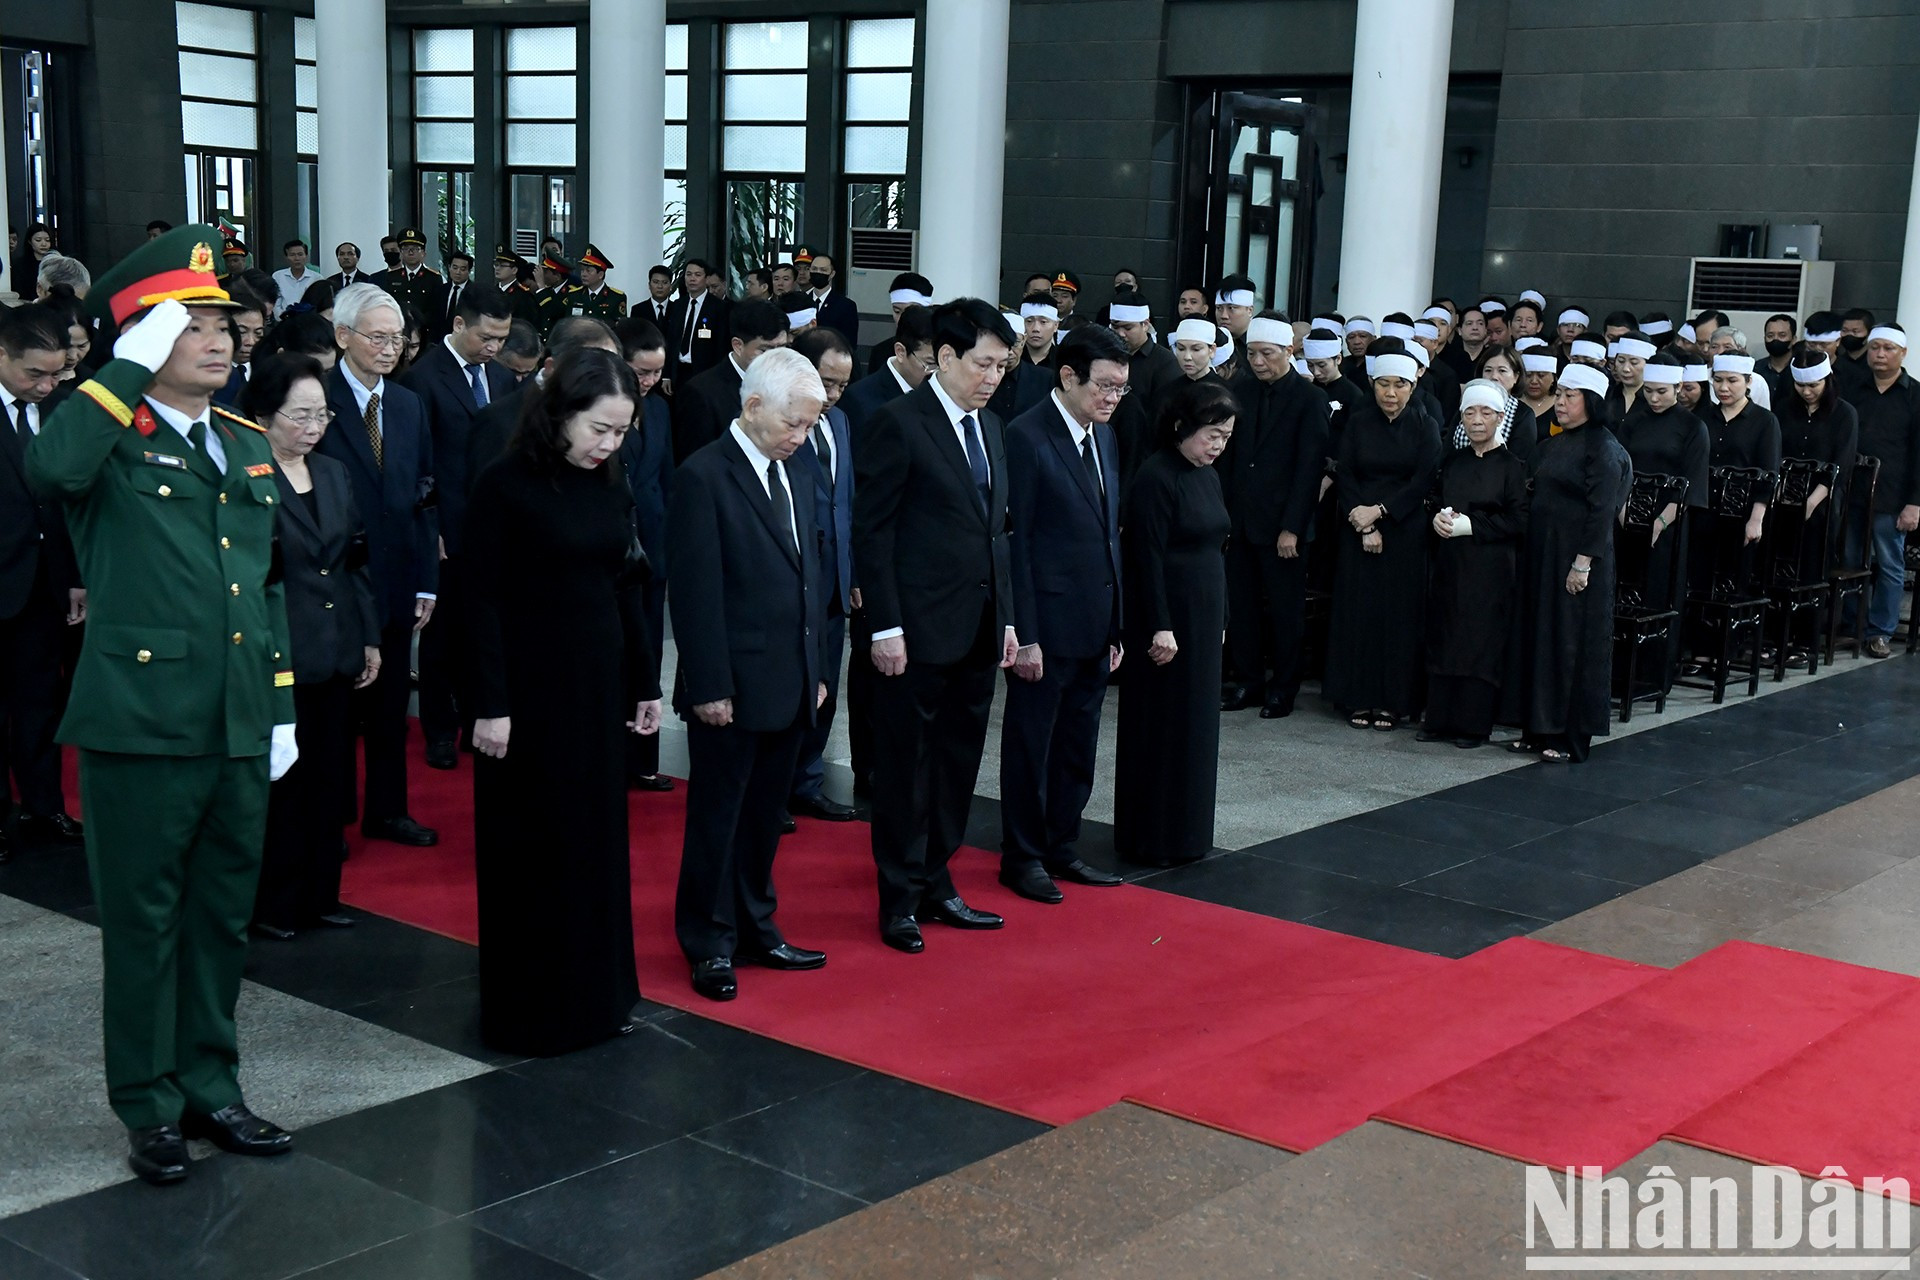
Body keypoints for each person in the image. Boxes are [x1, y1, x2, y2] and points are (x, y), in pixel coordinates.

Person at [29, 228, 299, 1185]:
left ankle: (209, 1085)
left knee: (220, 916)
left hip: (232, 721)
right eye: (193, 324)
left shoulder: (243, 442)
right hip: (140, 722)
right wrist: (122, 373)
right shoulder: (102, 433)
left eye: (227, 324)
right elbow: (49, 471)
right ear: (144, 337)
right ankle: (147, 1105)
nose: (223, 341)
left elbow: (262, 586)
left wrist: (279, 706)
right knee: (144, 922)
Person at [466, 348, 662, 1052]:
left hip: (595, 687)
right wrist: (490, 702)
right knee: (533, 849)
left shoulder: (608, 481)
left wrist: (645, 683)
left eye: (620, 432)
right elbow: (479, 599)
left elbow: (626, 582)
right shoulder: (505, 484)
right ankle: (533, 1009)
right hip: (525, 697)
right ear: (561, 414)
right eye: (600, 429)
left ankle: (598, 999)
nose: (609, 445)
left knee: (594, 846)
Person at [853, 299, 1019, 954]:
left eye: (1002, 366)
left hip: (977, 627)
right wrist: (883, 626)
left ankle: (937, 879)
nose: (993, 377)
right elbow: (873, 531)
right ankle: (897, 897)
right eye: (983, 364)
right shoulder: (899, 424)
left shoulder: (992, 429)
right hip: (914, 632)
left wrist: (1007, 618)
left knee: (956, 764)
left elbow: (997, 534)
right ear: (945, 357)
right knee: (904, 768)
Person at [668, 348, 831, 1001]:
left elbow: (810, 574)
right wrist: (708, 685)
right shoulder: (704, 477)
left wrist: (816, 668)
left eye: (812, 425)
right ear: (753, 405)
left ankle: (756, 924)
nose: (803, 436)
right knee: (719, 816)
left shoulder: (799, 468)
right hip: (730, 686)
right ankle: (708, 939)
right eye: (794, 423)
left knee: (765, 816)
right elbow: (696, 594)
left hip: (791, 679)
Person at [246, 354, 380, 939]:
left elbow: (353, 561)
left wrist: (370, 636)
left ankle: (322, 894)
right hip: (278, 650)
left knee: (330, 779)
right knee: (282, 784)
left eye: (321, 414)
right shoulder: (244, 478)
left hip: (337, 645)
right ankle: (275, 903)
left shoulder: (332, 472)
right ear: (262, 415)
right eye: (298, 415)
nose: (312, 426)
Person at [998, 327, 1129, 903]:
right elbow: (1017, 541)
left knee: (1079, 741)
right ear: (1068, 376)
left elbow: (1109, 537)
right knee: (1033, 743)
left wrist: (1117, 622)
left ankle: (1062, 844)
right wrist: (1024, 634)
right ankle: (1022, 855)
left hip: (1094, 621)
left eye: (1121, 389)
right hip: (1044, 625)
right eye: (1104, 386)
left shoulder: (1104, 437)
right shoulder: (1026, 436)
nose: (1112, 398)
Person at [319, 284, 440, 847]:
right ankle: (333, 813)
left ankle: (388, 810)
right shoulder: (316, 398)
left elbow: (423, 495)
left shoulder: (409, 403)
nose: (391, 348)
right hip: (334, 579)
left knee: (391, 705)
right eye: (378, 337)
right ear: (343, 337)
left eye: (399, 339)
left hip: (395, 578)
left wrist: (427, 582)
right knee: (336, 709)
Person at [1114, 380, 1235, 867]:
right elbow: (1146, 557)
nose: (1218, 446)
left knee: (1197, 727)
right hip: (1166, 619)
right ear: (1183, 427)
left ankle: (1189, 833)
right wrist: (1160, 625)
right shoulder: (1157, 475)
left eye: (1226, 437)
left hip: (1204, 614)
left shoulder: (1207, 475)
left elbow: (1217, 546)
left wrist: (1221, 616)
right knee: (1161, 726)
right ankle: (1153, 835)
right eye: (1213, 435)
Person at [401, 285, 514, 769]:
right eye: (486, 337)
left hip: (494, 528)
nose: (493, 348)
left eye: (502, 339)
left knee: (484, 631)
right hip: (446, 527)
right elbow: (416, 463)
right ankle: (440, 729)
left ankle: (477, 717)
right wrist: (433, 528)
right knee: (443, 637)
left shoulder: (504, 378)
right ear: (460, 325)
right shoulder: (422, 378)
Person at [0, 306, 85, 858]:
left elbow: (69, 501)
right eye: (35, 373)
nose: (47, 384)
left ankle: (43, 804)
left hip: (45, 585)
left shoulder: (60, 408)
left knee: (39, 701)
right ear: (2, 356)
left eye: (56, 373)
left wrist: (75, 576)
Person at [1514, 364, 1632, 763]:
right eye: (1559, 394)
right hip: (1545, 554)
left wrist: (1582, 564)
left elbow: (1602, 512)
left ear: (1593, 402)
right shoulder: (1553, 444)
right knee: (1542, 638)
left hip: (1579, 559)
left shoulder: (1604, 447)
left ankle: (1570, 736)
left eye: (1569, 396)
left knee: (1571, 643)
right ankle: (1537, 728)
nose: (1559, 402)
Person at [838, 303, 933, 798]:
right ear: (900, 352)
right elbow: (853, 494)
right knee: (869, 665)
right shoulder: (863, 401)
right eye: (928, 361)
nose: (935, 372)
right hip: (874, 557)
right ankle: (865, 764)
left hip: (919, 565)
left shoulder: (937, 402)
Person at [1322, 346, 1443, 730]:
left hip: (1404, 529)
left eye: (1400, 385)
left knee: (1398, 617)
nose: (1391, 393)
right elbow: (1347, 472)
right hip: (1358, 524)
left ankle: (1393, 701)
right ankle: (1357, 697)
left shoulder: (1425, 425)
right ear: (1372, 384)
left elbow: (1424, 478)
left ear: (1413, 386)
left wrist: (1381, 513)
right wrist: (1365, 522)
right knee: (1358, 612)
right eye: (1384, 384)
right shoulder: (1359, 422)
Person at [1221, 311, 1329, 719]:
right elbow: (1229, 458)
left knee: (1285, 613)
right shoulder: (1241, 392)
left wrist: (1292, 529)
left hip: (1284, 526)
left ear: (1289, 351)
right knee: (1243, 608)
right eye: (1252, 353)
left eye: (1267, 353)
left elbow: (1308, 469)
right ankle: (1248, 682)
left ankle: (1283, 689)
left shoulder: (1310, 399)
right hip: (1242, 521)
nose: (1259, 361)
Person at [1422, 381, 1530, 748]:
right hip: (1451, 565)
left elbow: (1520, 519)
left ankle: (1472, 725)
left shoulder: (1512, 467)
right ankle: (1438, 719)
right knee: (1445, 634)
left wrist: (1475, 526)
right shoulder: (1454, 463)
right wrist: (1437, 519)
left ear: (1500, 417)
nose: (1477, 420)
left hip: (1491, 568)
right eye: (1470, 413)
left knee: (1479, 642)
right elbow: (1437, 500)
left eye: (1485, 413)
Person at [786, 327, 859, 823]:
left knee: (827, 684)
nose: (832, 395)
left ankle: (808, 781)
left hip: (835, 580)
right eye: (825, 383)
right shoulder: (783, 426)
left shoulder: (842, 424)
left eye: (841, 385)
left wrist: (851, 572)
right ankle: (777, 785)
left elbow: (845, 503)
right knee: (792, 686)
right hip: (795, 581)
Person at [612, 318, 676, 793]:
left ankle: (642, 759)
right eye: (641, 372)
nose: (649, 382)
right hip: (611, 551)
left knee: (649, 652)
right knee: (614, 654)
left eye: (656, 373)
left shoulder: (659, 411)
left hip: (651, 551)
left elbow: (667, 481)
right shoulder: (600, 409)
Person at [1614, 353, 1710, 639]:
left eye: (1661, 392)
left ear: (1678, 388)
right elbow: (1619, 468)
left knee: (1659, 590)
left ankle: (1656, 664)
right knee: (1623, 587)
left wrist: (1660, 522)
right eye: (1648, 391)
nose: (1654, 398)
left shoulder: (1693, 426)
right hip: (1627, 512)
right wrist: (1623, 511)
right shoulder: (1633, 422)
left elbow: (1690, 482)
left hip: (1668, 519)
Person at [1841, 322, 1920, 656]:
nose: (1880, 354)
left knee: (1889, 564)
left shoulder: (1916, 395)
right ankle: (1851, 625)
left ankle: (1880, 631)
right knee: (1848, 559)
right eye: (1875, 347)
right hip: (1852, 492)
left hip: (1893, 495)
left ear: (1902, 353)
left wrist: (1915, 503)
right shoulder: (1852, 388)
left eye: (1888, 348)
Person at [672, 298, 789, 463]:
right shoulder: (701, 393)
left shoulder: (787, 384)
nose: (776, 358)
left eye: (782, 348)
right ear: (738, 345)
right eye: (765, 350)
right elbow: (697, 464)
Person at [1777, 346, 1859, 545]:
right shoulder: (1783, 409)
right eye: (1799, 385)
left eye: (1813, 385)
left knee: (1817, 530)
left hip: (1825, 492)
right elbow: (1775, 452)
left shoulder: (1844, 414)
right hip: (1786, 488)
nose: (1806, 392)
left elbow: (1841, 463)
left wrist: (1812, 502)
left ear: (1827, 381)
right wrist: (1779, 490)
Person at [1106, 286, 1183, 483]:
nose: (1120, 334)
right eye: (1115, 326)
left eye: (1128, 327)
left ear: (1146, 324)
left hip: (1144, 459)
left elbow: (1163, 420)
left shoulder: (1165, 363)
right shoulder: (1103, 357)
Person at [666, 257, 728, 389]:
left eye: (697, 275)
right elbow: (671, 341)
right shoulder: (678, 305)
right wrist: (666, 375)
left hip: (705, 373)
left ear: (706, 279)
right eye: (688, 274)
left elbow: (721, 345)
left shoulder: (718, 307)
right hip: (678, 372)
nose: (692, 278)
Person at [1472, 345, 1536, 469]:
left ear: (1516, 377)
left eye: (1502, 371)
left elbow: (1520, 461)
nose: (1494, 377)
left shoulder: (1523, 414)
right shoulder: (1468, 406)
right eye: (1488, 370)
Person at [805, 251, 860, 344]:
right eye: (814, 269)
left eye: (823, 270)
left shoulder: (846, 306)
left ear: (832, 274)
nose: (818, 272)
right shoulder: (801, 300)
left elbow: (849, 342)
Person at [565, 243, 627, 322]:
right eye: (582, 270)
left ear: (600, 275)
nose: (583, 274)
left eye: (588, 270)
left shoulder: (616, 297)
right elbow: (568, 324)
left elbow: (619, 328)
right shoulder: (574, 295)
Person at [271, 240, 316, 319]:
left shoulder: (316, 278)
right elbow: (275, 303)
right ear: (286, 257)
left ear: (306, 256)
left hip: (308, 322)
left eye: (300, 254)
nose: (297, 258)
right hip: (284, 321)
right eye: (292, 255)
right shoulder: (277, 276)